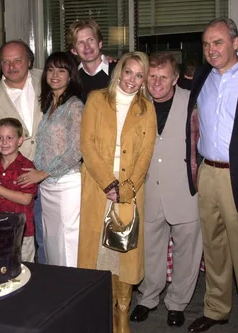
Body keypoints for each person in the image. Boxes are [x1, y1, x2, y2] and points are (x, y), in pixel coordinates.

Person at [185, 19, 238, 333]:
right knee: (213, 246)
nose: (211, 50)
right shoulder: (202, 76)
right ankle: (217, 309)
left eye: (217, 42)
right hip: (208, 172)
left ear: (235, 42)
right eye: (206, 44)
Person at [78, 51, 156, 333]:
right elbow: (86, 144)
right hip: (97, 189)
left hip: (129, 192)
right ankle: (106, 313)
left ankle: (123, 313)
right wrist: (108, 184)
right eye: (129, 72)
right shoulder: (97, 100)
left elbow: (146, 154)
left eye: (139, 75)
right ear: (119, 71)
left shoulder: (147, 108)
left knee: (125, 252)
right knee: (99, 255)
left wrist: (126, 189)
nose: (132, 80)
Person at [130, 52, 202, 327]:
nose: (157, 82)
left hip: (185, 190)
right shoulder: (137, 105)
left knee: (187, 252)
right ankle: (147, 299)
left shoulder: (193, 103)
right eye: (152, 76)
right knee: (150, 251)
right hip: (149, 191)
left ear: (175, 78)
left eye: (163, 77)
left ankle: (177, 303)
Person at [0, 40, 46, 263]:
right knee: (18, 244)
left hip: (50, 174)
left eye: (18, 60)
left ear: (29, 61)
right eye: (6, 62)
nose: (12, 66)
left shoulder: (47, 79)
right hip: (16, 183)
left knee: (49, 241)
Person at [17, 52, 84, 267]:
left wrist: (43, 173)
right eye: (51, 69)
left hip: (67, 186)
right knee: (51, 243)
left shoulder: (75, 106)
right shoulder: (49, 104)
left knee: (68, 243)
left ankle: (73, 292)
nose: (55, 75)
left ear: (70, 75)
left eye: (61, 70)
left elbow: (77, 150)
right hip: (46, 187)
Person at [0, 118, 38, 262]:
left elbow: (26, 199)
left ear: (20, 140)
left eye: (9, 138)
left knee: (24, 267)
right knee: (1, 265)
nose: (4, 142)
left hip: (22, 232)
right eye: (0, 138)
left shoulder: (26, 166)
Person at [68, 19, 116, 102]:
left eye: (91, 40)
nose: (87, 46)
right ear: (74, 51)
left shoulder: (118, 71)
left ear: (100, 43)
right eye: (80, 43)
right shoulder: (73, 80)